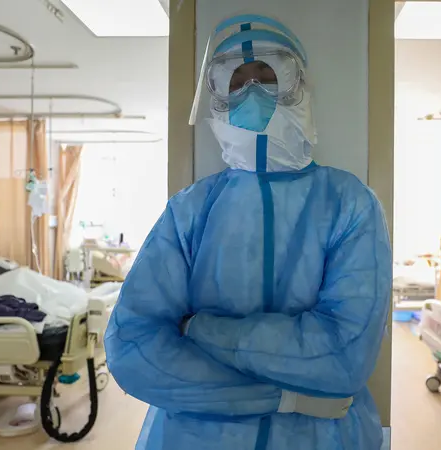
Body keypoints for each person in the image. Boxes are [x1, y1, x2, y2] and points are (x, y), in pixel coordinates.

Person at [105, 14, 391, 450]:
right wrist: (283, 397)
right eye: (236, 82)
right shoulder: (191, 209)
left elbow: (342, 355)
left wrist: (198, 329)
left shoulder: (349, 202)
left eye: (268, 76)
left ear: (298, 84)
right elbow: (133, 348)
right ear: (216, 95)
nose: (253, 94)